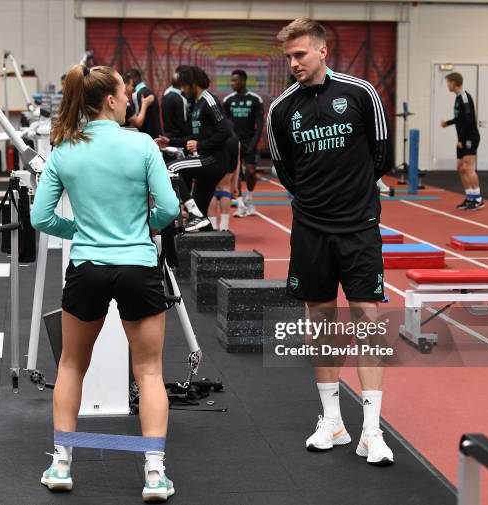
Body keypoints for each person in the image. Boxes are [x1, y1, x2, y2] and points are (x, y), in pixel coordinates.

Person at [30, 64, 180, 502]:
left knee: (71, 366)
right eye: (125, 94)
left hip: (87, 268)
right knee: (149, 371)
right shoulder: (141, 145)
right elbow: (168, 209)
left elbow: (41, 218)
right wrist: (140, 228)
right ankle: (154, 474)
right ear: (111, 101)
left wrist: (81, 233)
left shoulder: (64, 149)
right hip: (137, 265)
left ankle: (61, 464)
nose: (130, 100)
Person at [267, 19, 395, 466]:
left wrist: (353, 196)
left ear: (322, 51)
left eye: (300, 54)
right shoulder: (281, 109)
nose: (293, 63)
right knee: (319, 323)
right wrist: (318, 201)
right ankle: (333, 422)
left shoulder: (361, 94)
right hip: (310, 230)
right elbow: (285, 171)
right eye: (288, 57)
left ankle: (372, 431)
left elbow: (381, 156)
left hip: (359, 228)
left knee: (367, 321)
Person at [156, 66, 235, 232]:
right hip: (206, 159)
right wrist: (170, 141)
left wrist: (200, 145)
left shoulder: (208, 100)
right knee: (201, 215)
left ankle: (192, 212)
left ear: (193, 83)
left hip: (214, 160)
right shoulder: (196, 104)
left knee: (171, 168)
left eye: (184, 85)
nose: (183, 90)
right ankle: (205, 230)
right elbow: (194, 138)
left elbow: (225, 131)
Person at [223, 69, 264, 217]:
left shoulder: (255, 99)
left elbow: (260, 125)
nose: (232, 83)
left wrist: (253, 144)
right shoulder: (228, 100)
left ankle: (249, 197)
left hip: (250, 142)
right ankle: (240, 205)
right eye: (231, 80)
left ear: (243, 81)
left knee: (251, 172)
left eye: (235, 80)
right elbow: (224, 124)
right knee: (236, 175)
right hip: (234, 143)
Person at [440, 72, 483, 210]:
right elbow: (460, 118)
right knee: (460, 168)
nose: (447, 85)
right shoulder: (458, 98)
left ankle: (478, 199)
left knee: (468, 167)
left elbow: (469, 120)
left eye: (448, 82)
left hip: (470, 137)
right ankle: (470, 197)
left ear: (454, 82)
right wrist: (448, 122)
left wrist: (462, 140)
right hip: (462, 139)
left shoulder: (464, 97)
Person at [124, 68, 162, 139]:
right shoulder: (150, 91)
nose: (132, 87)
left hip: (146, 136)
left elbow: (138, 122)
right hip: (155, 135)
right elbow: (137, 121)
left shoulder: (136, 94)